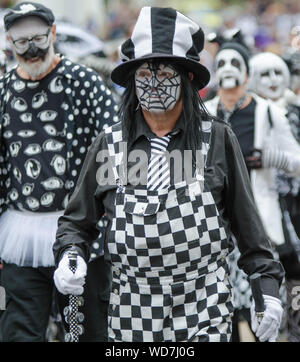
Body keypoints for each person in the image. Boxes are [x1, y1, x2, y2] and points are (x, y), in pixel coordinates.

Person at [53, 7, 284, 343]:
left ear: (187, 78)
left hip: (204, 306)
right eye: (144, 76)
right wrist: (71, 254)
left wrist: (269, 290)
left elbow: (251, 232)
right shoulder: (110, 144)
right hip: (131, 310)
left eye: (164, 75)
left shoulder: (217, 139)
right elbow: (77, 222)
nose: (153, 85)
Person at [0, 1, 118, 342]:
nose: (31, 49)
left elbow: (115, 147)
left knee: (85, 330)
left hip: (80, 233)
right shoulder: (4, 91)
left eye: (38, 38)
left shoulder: (84, 82)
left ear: (53, 34)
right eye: (21, 42)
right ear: (9, 42)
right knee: (18, 331)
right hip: (19, 233)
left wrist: (109, 213)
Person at [205, 31, 300, 341]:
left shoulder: (267, 112)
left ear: (246, 73)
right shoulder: (204, 113)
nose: (228, 69)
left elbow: (297, 161)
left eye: (235, 63)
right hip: (217, 226)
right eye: (222, 63)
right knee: (224, 305)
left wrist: (268, 157)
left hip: (259, 221)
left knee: (264, 303)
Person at [249, 51, 300, 342]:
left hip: (292, 205)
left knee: (294, 269)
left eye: (277, 73)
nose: (272, 80)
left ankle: (294, 333)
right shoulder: (249, 112)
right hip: (261, 207)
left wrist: (272, 157)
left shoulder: (292, 110)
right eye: (264, 74)